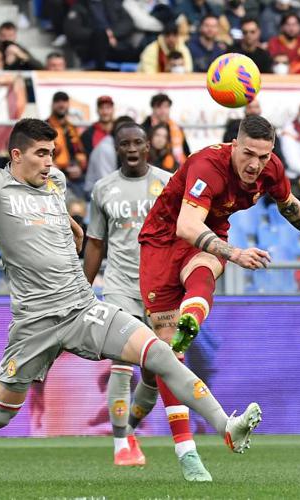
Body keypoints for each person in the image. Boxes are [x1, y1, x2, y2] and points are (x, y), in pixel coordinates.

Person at [0, 118, 263, 484]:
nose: (49, 162)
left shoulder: (56, 181)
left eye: (52, 153)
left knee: (160, 354)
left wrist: (73, 227)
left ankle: (226, 426)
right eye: (41, 154)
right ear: (16, 155)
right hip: (36, 323)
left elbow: (52, 212)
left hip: (83, 308)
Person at [136, 115, 300, 481]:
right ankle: (167, 434)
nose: (255, 164)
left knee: (201, 274)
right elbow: (186, 225)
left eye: (264, 156)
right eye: (248, 153)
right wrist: (235, 253)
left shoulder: (270, 168)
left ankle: (191, 321)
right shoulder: (207, 165)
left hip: (208, 237)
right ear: (234, 145)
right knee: (164, 358)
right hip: (161, 242)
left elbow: (288, 204)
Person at [84, 122, 173, 467]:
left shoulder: (168, 183)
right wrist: (83, 289)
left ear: (148, 146)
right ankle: (121, 443)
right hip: (119, 286)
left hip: (160, 288)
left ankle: (129, 428)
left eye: (138, 142)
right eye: (125, 144)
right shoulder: (103, 189)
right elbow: (95, 243)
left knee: (153, 372)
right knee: (121, 363)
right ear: (117, 149)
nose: (132, 149)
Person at [47, 92, 86, 198]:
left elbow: (80, 152)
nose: (61, 104)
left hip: (73, 178)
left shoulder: (71, 128)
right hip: (52, 177)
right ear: (52, 105)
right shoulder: (45, 126)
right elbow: (38, 152)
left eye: (64, 101)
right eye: (58, 101)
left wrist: (79, 167)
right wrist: (49, 165)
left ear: (68, 104)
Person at [84, 115, 136, 194]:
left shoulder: (128, 147)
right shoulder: (106, 148)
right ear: (115, 132)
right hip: (96, 193)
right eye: (122, 131)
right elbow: (106, 185)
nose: (125, 134)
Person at [140, 94, 190, 168]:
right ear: (153, 108)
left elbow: (187, 153)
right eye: (159, 107)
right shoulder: (143, 130)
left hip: (178, 169)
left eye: (166, 107)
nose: (163, 111)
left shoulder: (177, 128)